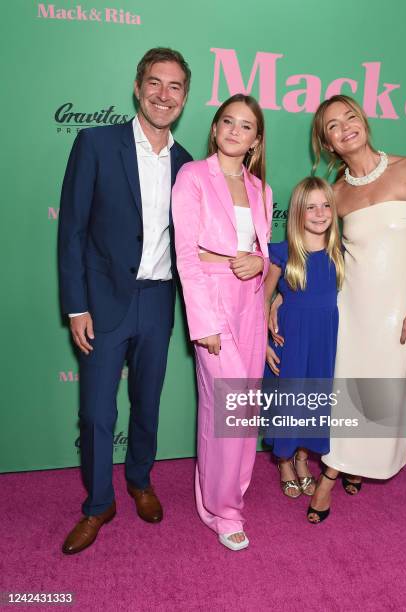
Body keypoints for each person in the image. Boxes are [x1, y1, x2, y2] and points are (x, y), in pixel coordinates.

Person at [272, 94, 406, 523]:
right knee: (344, 396)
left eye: (350, 116)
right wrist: (281, 293)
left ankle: (332, 477)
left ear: (363, 121)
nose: (345, 126)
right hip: (349, 311)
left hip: (397, 312)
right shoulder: (336, 193)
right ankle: (340, 466)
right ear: (328, 143)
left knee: (381, 393)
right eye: (333, 125)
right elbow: (316, 252)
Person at [58, 48, 192, 554]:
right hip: (103, 301)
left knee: (148, 401)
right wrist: (76, 305)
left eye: (175, 86)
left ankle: (139, 479)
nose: (163, 94)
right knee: (96, 412)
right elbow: (71, 231)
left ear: (184, 98)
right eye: (154, 83)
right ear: (138, 88)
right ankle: (98, 504)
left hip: (158, 301)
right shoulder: (95, 143)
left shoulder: (187, 165)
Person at [172, 94, 273, 551]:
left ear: (255, 140)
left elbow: (262, 251)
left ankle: (233, 492)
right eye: (227, 122)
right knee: (226, 406)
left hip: (249, 302)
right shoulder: (192, 176)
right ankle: (222, 511)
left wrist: (258, 260)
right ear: (214, 130)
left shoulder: (262, 190)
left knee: (245, 409)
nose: (235, 130)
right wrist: (202, 322)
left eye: (246, 126)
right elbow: (188, 256)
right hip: (211, 300)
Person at [263, 177, 343, 501]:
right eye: (311, 206)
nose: (320, 212)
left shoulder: (341, 252)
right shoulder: (283, 254)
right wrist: (263, 342)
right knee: (289, 399)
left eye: (326, 205)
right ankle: (284, 460)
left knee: (313, 399)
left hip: (324, 339)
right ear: (297, 212)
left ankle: (301, 458)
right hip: (291, 338)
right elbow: (262, 299)